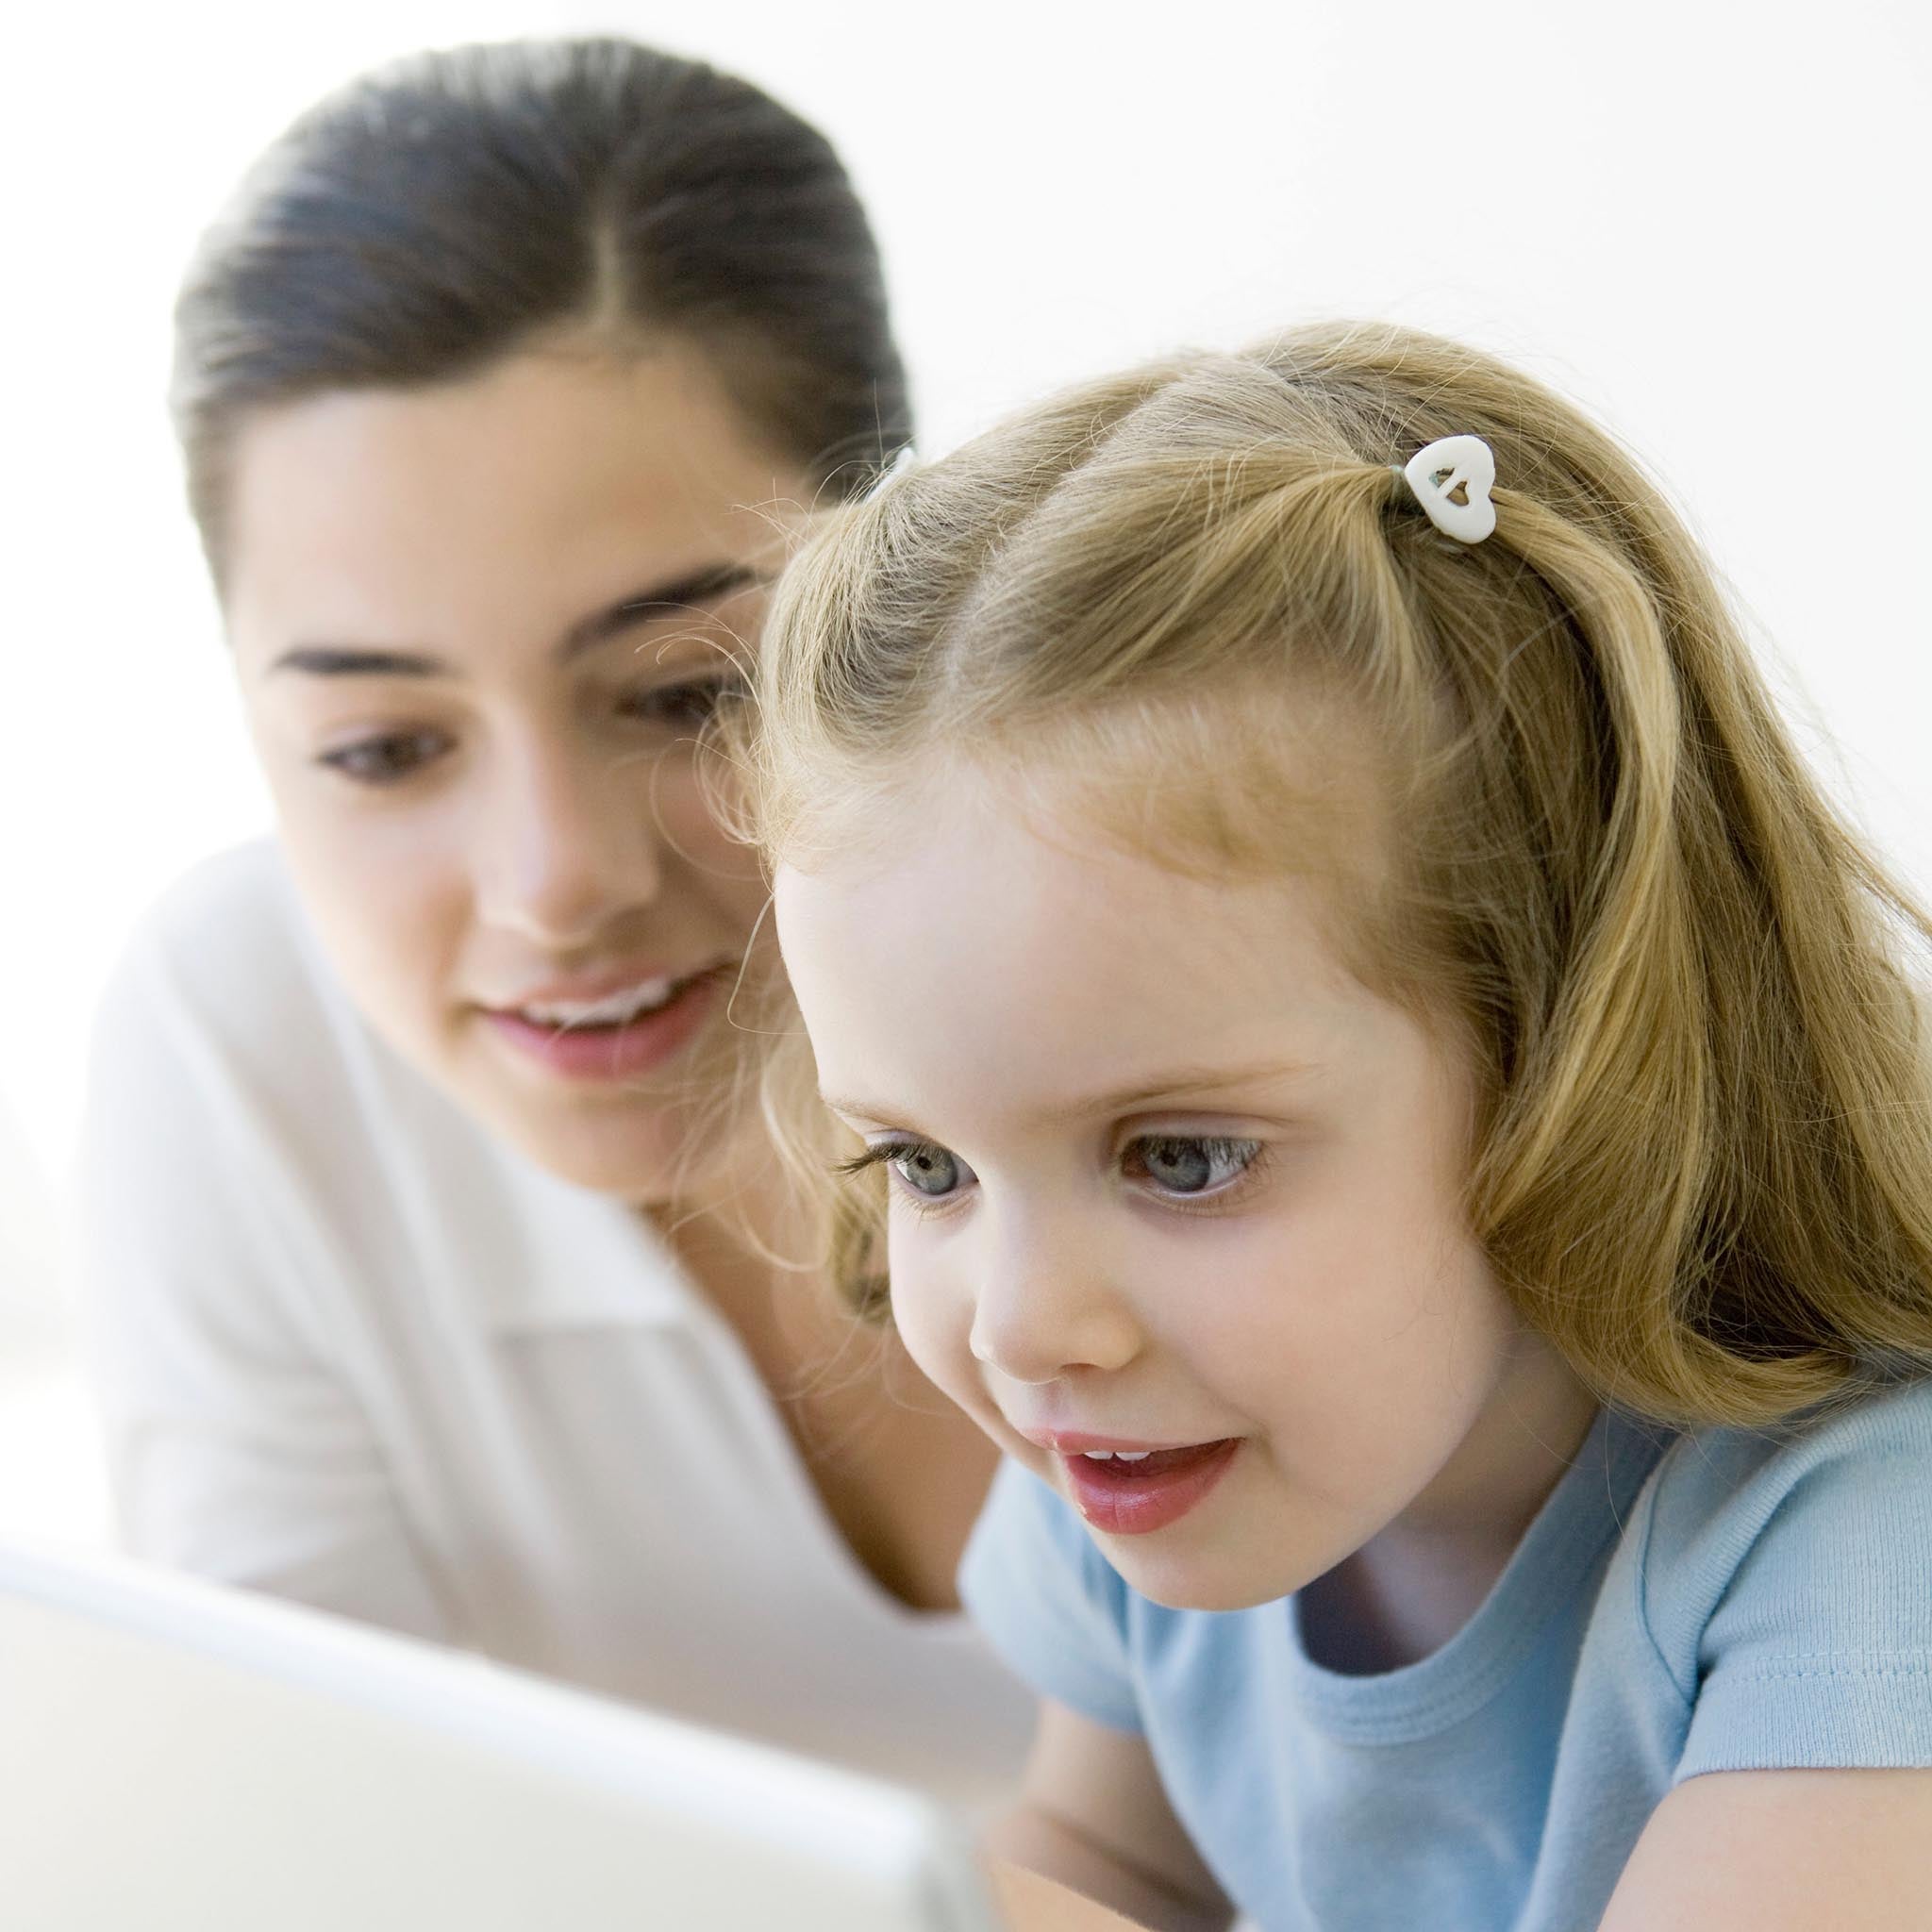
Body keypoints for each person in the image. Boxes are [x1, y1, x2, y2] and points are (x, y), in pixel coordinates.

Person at [741, 322, 1932, 1926]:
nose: (1026, 1326)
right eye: (928, 1166)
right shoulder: (1142, 1451)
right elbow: (1113, 1864)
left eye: (1182, 1159)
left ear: (1586, 1060)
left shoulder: (1866, 1556)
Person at [79, 36, 1032, 1804]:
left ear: (912, 579)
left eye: (684, 693)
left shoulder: (1223, 962)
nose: (552, 883)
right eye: (380, 748)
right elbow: (288, 1837)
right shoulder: (243, 1045)